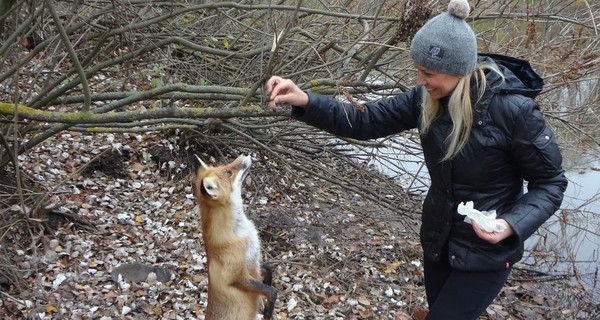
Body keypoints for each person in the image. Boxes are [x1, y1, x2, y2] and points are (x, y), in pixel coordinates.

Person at [266, 0, 568, 319]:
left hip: (487, 253)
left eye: (428, 72)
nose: (421, 80)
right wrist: (306, 100)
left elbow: (550, 183)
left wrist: (510, 224)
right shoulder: (424, 99)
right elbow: (365, 121)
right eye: (418, 70)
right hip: (438, 241)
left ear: (458, 71)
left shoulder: (513, 111)